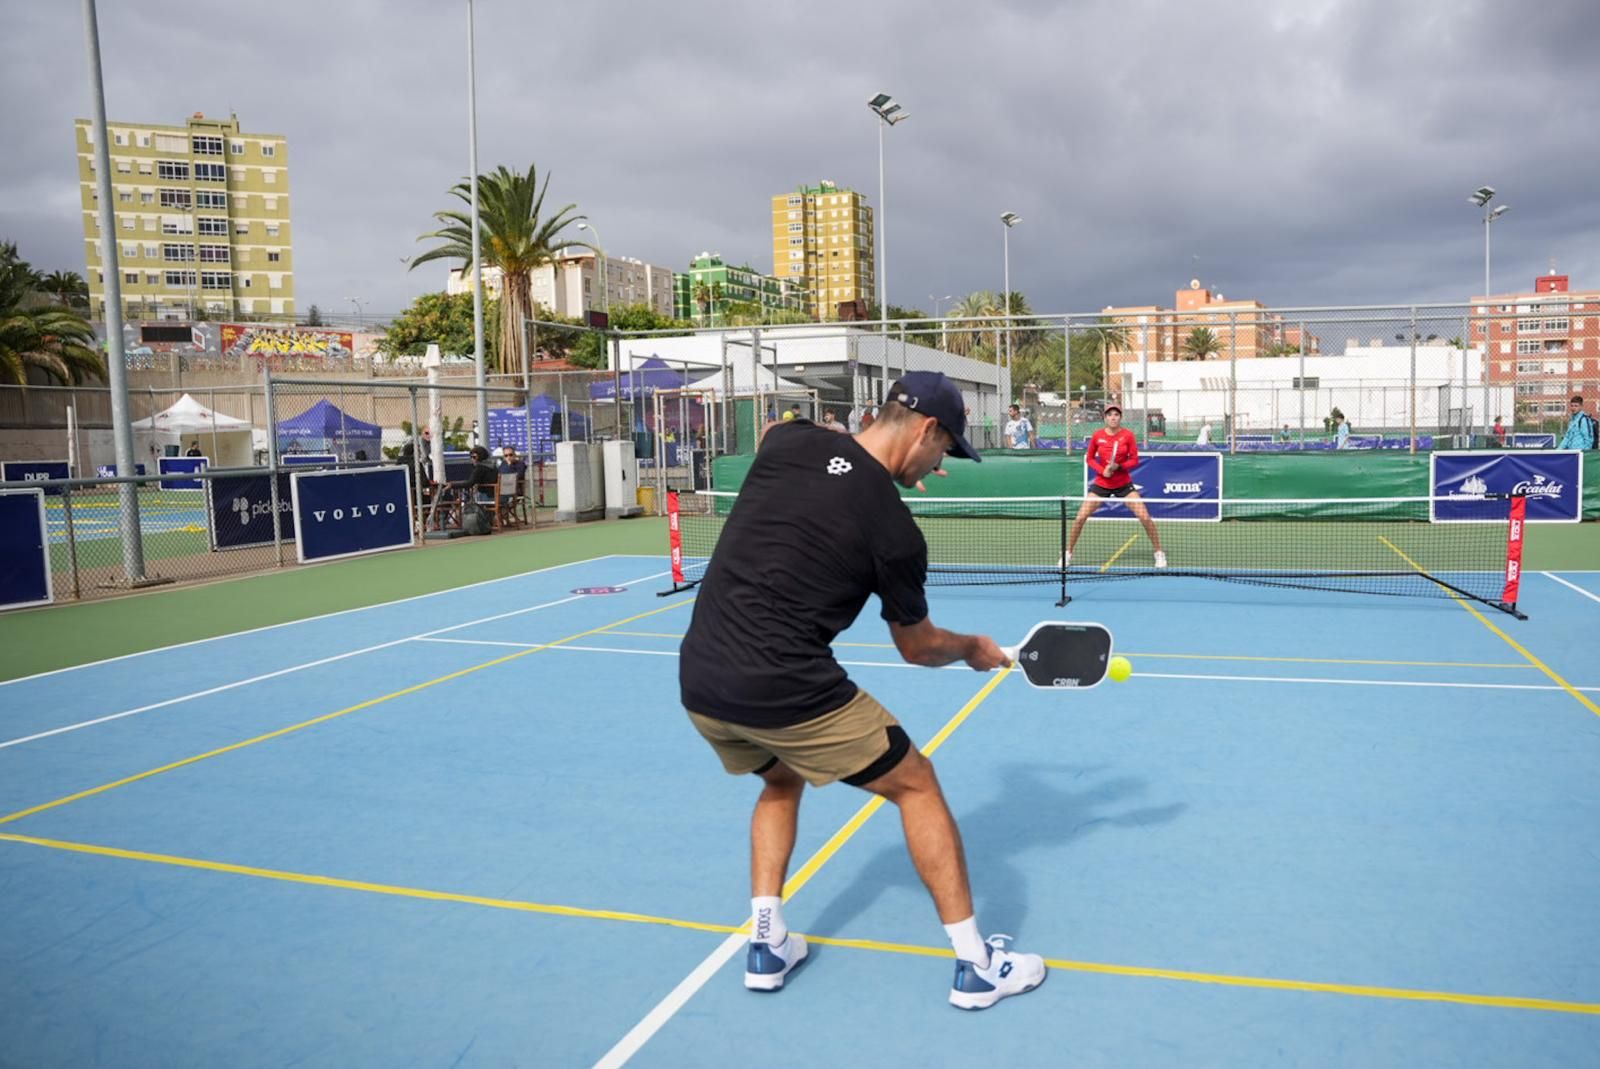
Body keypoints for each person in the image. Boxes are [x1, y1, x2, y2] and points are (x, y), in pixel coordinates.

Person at [679, 370, 1047, 1010]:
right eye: (947, 448)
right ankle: (976, 965)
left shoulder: (788, 445)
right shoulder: (897, 534)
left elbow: (776, 429)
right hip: (784, 685)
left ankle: (766, 943)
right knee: (917, 783)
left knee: (781, 778)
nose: (943, 463)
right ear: (927, 429)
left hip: (702, 681)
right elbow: (917, 647)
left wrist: (843, 444)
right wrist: (972, 650)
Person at [1065, 404, 1166, 569]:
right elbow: (1089, 458)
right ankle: (1067, 553)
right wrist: (1102, 471)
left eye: (1116, 415)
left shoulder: (1128, 436)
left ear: (1120, 418)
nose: (1113, 417)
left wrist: (1118, 467)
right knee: (1080, 518)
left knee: (1145, 517)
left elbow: (1134, 460)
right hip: (1102, 484)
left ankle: (1159, 553)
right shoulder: (1097, 436)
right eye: (1110, 415)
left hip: (1123, 484)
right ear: (1105, 418)